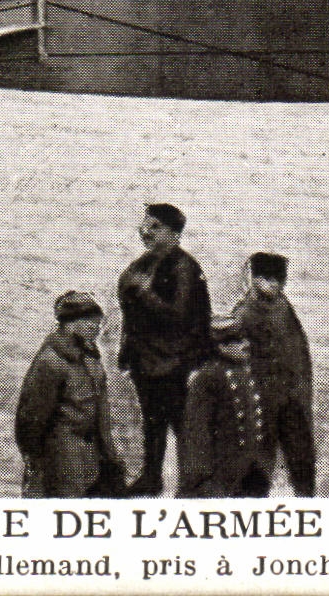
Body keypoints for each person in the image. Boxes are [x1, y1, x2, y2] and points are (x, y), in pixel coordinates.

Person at [116, 202, 211, 496]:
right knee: (152, 421)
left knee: (182, 423)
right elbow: (129, 309)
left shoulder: (184, 267)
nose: (145, 231)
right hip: (146, 358)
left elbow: (178, 316)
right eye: (145, 225)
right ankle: (152, 477)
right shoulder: (144, 264)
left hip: (174, 361)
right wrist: (126, 349)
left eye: (155, 227)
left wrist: (145, 293)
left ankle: (194, 483)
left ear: (174, 233)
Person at [15, 291, 126, 497]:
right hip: (61, 459)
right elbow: (31, 421)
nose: (96, 327)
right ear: (69, 323)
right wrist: (35, 461)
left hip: (93, 457)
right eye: (89, 321)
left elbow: (101, 413)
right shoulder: (50, 362)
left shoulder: (91, 359)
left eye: (97, 322)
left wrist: (110, 455)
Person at [231, 251, 315, 495]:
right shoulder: (244, 313)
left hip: (292, 398)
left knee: (301, 460)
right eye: (267, 278)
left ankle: (308, 501)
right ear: (254, 278)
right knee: (257, 463)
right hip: (261, 401)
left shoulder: (284, 309)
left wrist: (300, 393)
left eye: (279, 279)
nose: (274, 284)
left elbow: (298, 354)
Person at [179, 315, 276, 497]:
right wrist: (202, 479)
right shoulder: (207, 378)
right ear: (221, 347)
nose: (245, 344)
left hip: (252, 471)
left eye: (245, 339)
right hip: (220, 476)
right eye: (237, 341)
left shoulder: (249, 371)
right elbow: (197, 432)